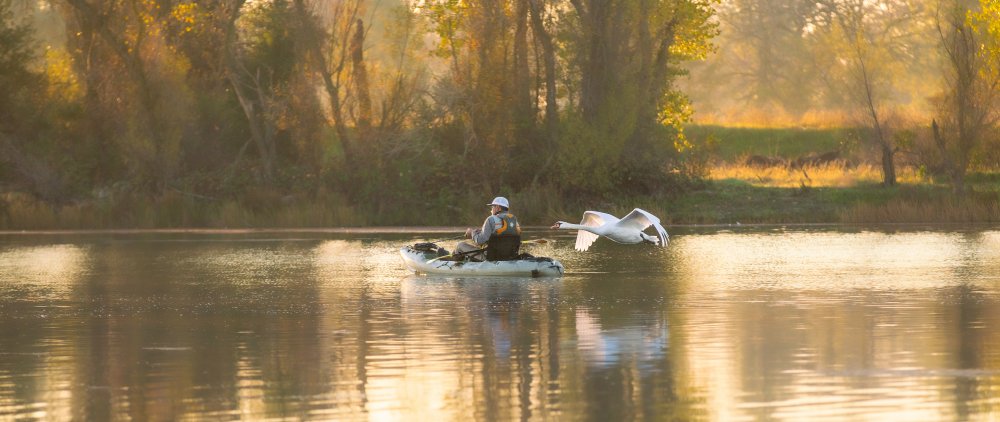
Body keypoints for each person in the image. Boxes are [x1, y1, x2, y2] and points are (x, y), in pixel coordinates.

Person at [454, 196, 522, 261]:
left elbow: (480, 240)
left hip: (490, 257)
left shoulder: (491, 219)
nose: (491, 210)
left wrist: (472, 233)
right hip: (511, 256)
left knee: (460, 245)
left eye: (492, 207)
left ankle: (457, 265)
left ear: (498, 207)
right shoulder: (515, 221)